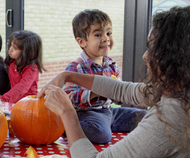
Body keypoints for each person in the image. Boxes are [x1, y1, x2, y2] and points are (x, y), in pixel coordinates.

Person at [38, 6, 190, 157]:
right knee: (102, 132)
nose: (145, 56)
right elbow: (124, 90)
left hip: (107, 111)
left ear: (176, 57)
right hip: (91, 114)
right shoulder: (179, 93)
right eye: (98, 34)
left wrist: (67, 113)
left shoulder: (170, 120)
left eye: (151, 47)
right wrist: (68, 75)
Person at [62, 9, 146, 144]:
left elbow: (117, 96)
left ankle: (107, 125)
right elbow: (69, 99)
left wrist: (117, 94)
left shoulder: (111, 65)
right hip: (87, 114)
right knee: (101, 135)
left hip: (109, 111)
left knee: (145, 117)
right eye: (98, 34)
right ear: (82, 42)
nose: (106, 38)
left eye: (108, 33)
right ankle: (67, 127)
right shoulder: (76, 67)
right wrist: (96, 91)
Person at [0, 30, 46, 103]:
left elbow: (21, 88)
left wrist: (3, 98)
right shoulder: (12, 62)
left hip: (29, 103)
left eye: (15, 48)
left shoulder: (32, 69)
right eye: (11, 45)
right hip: (15, 101)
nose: (10, 49)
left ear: (26, 52)